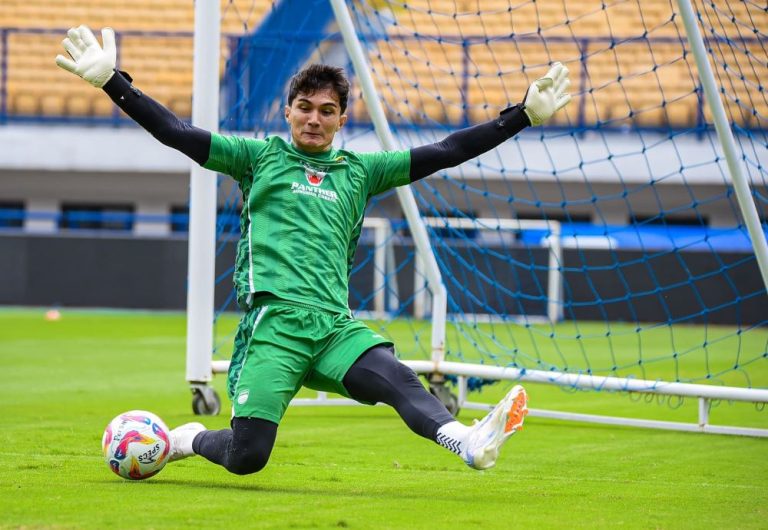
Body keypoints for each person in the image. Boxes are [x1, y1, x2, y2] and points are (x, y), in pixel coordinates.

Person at [56, 25, 571, 474]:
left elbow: (446, 151)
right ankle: (186, 439)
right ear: (287, 111)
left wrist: (520, 115)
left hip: (333, 327)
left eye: (327, 111)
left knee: (398, 379)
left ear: (342, 119)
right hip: (274, 328)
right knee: (248, 456)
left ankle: (467, 440)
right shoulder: (256, 158)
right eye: (305, 108)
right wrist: (112, 83)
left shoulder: (361, 171)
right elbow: (177, 132)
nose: (314, 119)